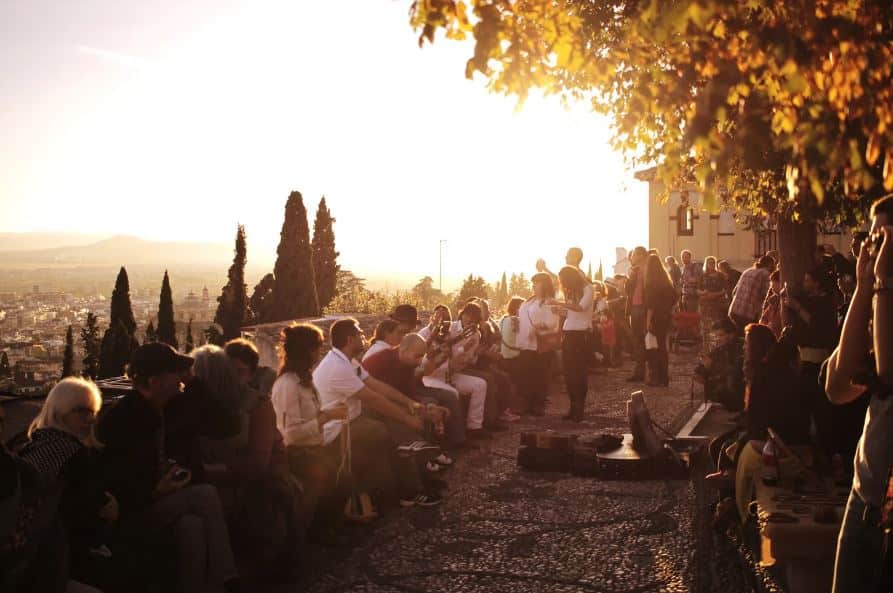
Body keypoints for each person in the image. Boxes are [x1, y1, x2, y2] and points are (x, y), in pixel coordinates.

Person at [97, 342, 239, 593]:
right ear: (154, 382)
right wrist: (156, 488)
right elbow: (113, 483)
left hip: (170, 504)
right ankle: (229, 580)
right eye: (175, 372)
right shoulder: (120, 420)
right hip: (138, 511)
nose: (180, 378)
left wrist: (194, 382)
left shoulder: (179, 404)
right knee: (204, 494)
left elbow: (227, 426)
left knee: (191, 527)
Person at [825, 193, 892, 593]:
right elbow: (837, 384)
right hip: (862, 499)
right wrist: (864, 287)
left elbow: (889, 369)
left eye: (886, 239)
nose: (876, 250)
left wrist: (882, 284)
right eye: (874, 239)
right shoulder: (880, 303)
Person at [314, 318, 446, 507]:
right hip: (336, 428)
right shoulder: (337, 366)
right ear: (350, 339)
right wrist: (407, 419)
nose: (363, 336)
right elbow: (373, 398)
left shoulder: (347, 361)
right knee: (384, 432)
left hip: (351, 417)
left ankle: (419, 476)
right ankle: (410, 492)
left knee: (398, 420)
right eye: (360, 333)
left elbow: (378, 387)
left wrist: (412, 405)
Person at [13, 378, 116, 593]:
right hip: (52, 557)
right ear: (60, 412)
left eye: (92, 411)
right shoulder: (73, 454)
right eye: (81, 411)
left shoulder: (32, 444)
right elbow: (93, 510)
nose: (89, 419)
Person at [270, 323, 367, 537]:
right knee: (336, 478)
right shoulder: (288, 385)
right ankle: (320, 531)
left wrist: (329, 412)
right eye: (316, 348)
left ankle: (329, 526)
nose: (318, 353)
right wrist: (326, 417)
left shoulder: (304, 380)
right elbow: (291, 434)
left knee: (344, 477)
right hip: (297, 453)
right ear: (307, 351)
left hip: (313, 447)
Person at [785, 267, 854, 460]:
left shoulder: (824, 302)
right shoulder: (809, 299)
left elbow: (816, 324)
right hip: (804, 357)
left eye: (808, 280)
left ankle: (824, 452)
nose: (805, 284)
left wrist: (797, 307)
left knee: (817, 409)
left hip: (816, 360)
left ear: (817, 282)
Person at [363, 332, 464, 457]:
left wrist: (427, 407)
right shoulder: (380, 360)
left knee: (427, 409)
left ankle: (431, 454)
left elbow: (409, 394)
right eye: (417, 356)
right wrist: (410, 411)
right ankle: (423, 456)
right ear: (404, 351)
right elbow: (373, 394)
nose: (420, 360)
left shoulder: (408, 364)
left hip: (394, 399)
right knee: (412, 418)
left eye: (422, 356)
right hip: (372, 404)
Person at [418, 306, 489, 437]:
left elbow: (457, 361)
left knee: (480, 384)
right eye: (439, 318)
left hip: (450, 373)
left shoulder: (462, 334)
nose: (443, 322)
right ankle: (455, 435)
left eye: (445, 319)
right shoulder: (426, 333)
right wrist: (461, 349)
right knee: (453, 393)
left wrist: (471, 354)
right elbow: (422, 359)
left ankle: (474, 427)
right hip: (431, 377)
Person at [547, 266, 594, 421]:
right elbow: (572, 313)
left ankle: (579, 408)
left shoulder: (588, 289)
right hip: (569, 334)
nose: (563, 284)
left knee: (578, 373)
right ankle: (573, 407)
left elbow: (581, 308)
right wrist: (559, 311)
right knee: (568, 373)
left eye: (563, 281)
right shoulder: (572, 292)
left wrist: (559, 303)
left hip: (580, 336)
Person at [517, 273, 561, 416]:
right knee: (527, 375)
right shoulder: (530, 301)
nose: (534, 285)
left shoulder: (550, 302)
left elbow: (554, 324)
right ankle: (527, 404)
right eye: (533, 282)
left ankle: (538, 405)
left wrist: (539, 327)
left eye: (537, 282)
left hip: (540, 344)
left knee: (540, 375)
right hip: (526, 344)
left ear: (545, 284)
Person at [693, 319, 744, 411]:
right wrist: (702, 368)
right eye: (716, 336)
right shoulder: (720, 348)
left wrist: (712, 366)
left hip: (740, 393)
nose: (717, 339)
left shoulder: (741, 347)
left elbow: (737, 371)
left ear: (731, 335)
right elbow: (700, 369)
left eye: (721, 335)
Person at [643, 253, 678, 387]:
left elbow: (650, 305)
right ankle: (664, 377)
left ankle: (656, 378)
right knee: (663, 348)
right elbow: (675, 296)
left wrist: (647, 323)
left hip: (655, 318)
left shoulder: (651, 282)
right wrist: (668, 308)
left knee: (654, 349)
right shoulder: (665, 280)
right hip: (665, 316)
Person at [728, 255, 773, 332]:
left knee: (741, 337)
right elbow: (767, 295)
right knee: (751, 339)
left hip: (734, 311)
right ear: (769, 264)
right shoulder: (766, 274)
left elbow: (734, 291)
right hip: (749, 314)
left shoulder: (747, 271)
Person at [625, 246, 649, 382]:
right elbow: (628, 290)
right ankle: (639, 372)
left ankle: (646, 372)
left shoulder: (649, 269)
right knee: (638, 340)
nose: (631, 257)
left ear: (640, 255)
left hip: (643, 308)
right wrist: (631, 277)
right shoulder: (634, 271)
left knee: (644, 339)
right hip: (635, 307)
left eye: (633, 255)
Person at [697, 256, 729, 351]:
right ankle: (706, 348)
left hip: (718, 304)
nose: (711, 264)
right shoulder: (703, 276)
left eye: (712, 262)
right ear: (706, 264)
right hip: (705, 305)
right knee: (705, 328)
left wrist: (715, 294)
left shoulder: (721, 276)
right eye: (709, 262)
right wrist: (704, 293)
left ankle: (717, 349)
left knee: (717, 326)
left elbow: (725, 289)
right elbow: (698, 290)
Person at [499, 296, 525, 388]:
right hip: (513, 359)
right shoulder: (516, 320)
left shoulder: (503, 319)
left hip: (503, 357)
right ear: (517, 309)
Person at [758, 270, 784, 338]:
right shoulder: (773, 300)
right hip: (769, 335)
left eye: (774, 285)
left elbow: (778, 323)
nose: (772, 288)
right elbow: (763, 318)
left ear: (781, 283)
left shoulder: (786, 301)